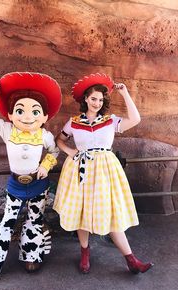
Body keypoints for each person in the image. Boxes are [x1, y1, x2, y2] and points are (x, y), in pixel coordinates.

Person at [53, 73, 153, 274]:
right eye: (93, 99)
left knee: (110, 212)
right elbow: (59, 140)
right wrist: (71, 152)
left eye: (100, 99)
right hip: (80, 170)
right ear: (86, 100)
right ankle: (84, 252)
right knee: (81, 212)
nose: (97, 103)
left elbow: (135, 119)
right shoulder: (73, 122)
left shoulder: (110, 121)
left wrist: (124, 93)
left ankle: (131, 260)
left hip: (105, 171)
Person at [0, 72, 62, 274]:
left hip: (38, 185)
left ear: (45, 116)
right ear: (10, 114)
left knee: (34, 220)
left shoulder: (45, 135)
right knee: (7, 221)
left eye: (35, 112)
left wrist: (46, 165)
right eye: (20, 110)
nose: (27, 117)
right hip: (15, 185)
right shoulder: (7, 130)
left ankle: (31, 257)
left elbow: (55, 150)